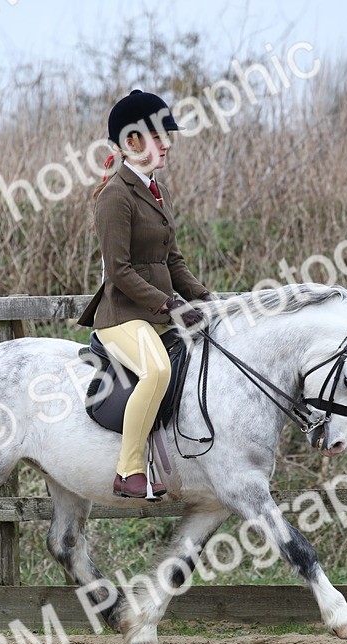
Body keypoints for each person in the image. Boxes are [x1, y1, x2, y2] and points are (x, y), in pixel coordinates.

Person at [77, 89, 213, 500]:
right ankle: (129, 469)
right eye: (157, 137)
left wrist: (205, 299)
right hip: (122, 317)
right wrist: (169, 304)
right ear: (131, 142)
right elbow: (118, 271)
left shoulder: (158, 190)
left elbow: (172, 258)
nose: (166, 144)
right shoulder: (114, 197)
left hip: (155, 314)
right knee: (156, 371)